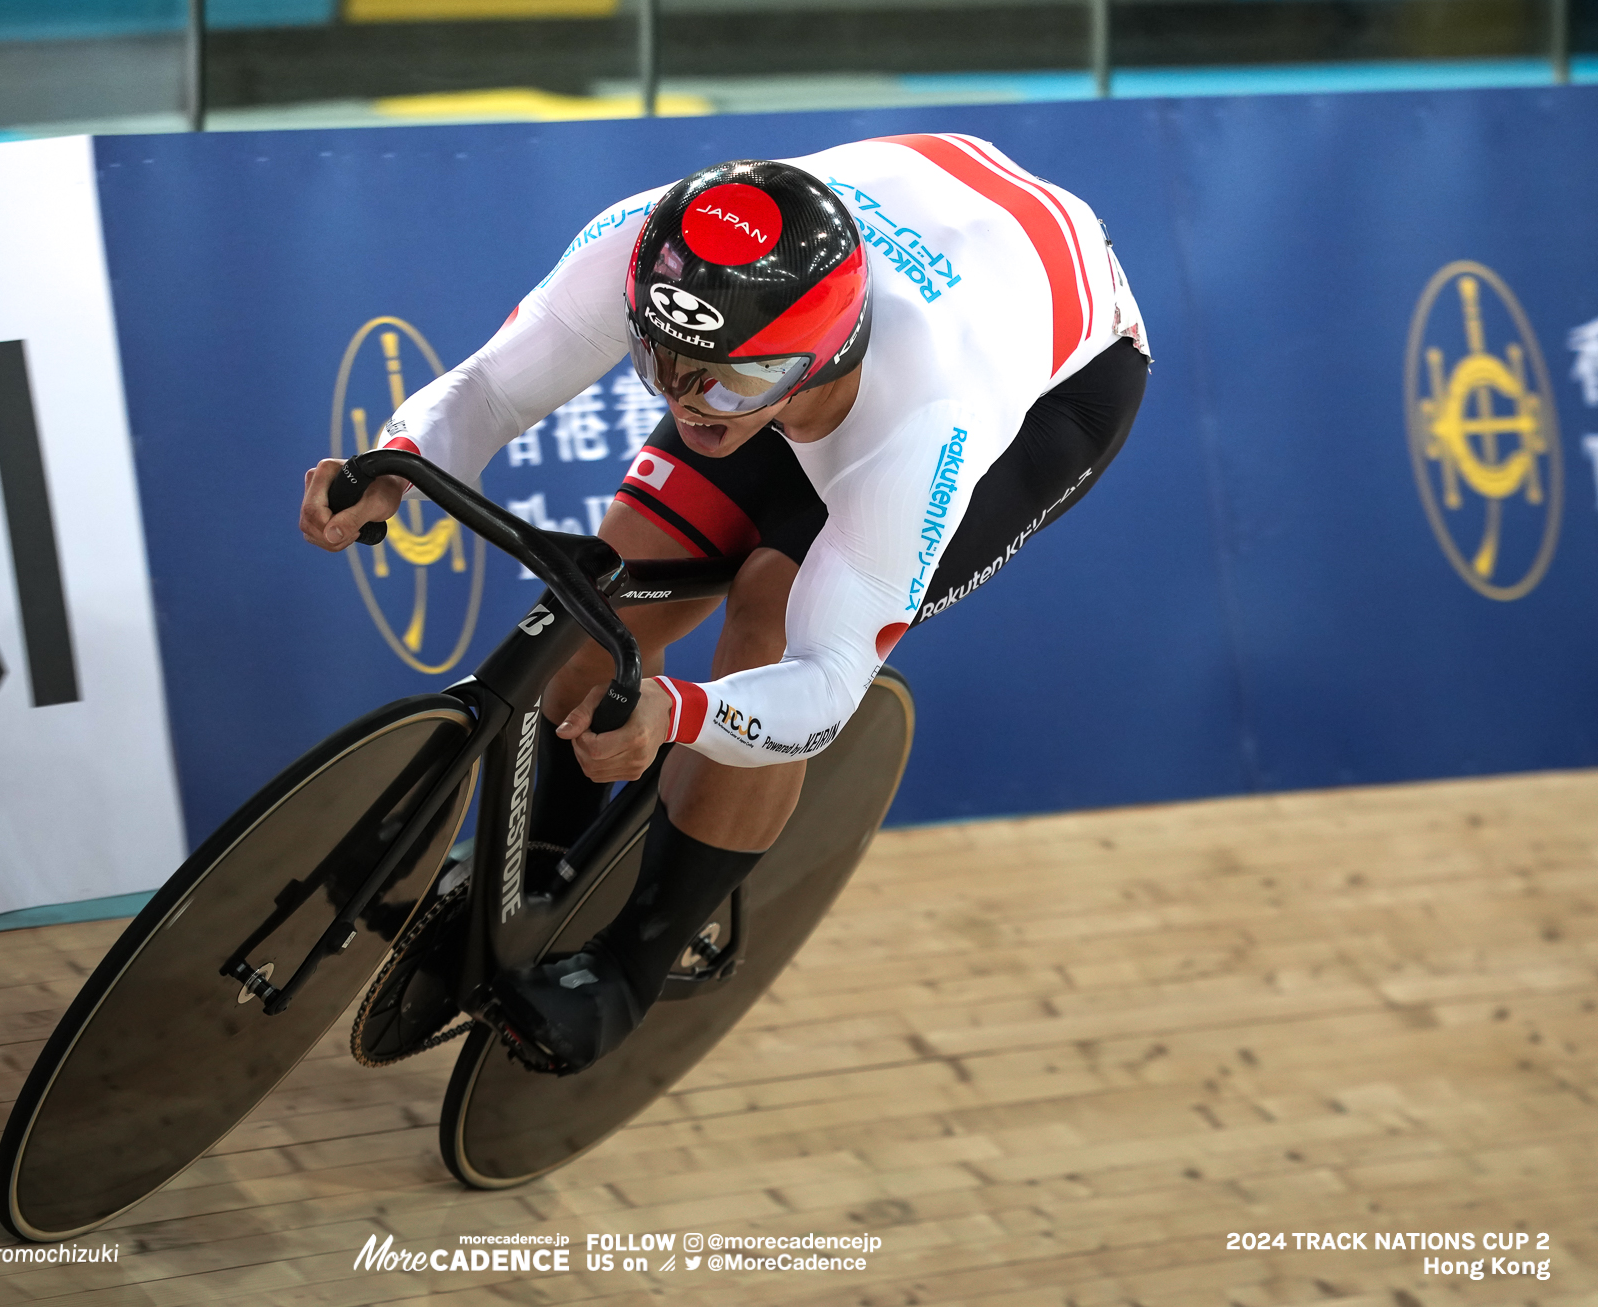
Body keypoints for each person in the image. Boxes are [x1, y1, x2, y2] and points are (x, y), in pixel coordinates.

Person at [301, 133, 1150, 1073]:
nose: (693, 404)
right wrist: (400, 465)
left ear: (819, 356)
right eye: (663, 364)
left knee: (769, 612)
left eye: (728, 381)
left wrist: (680, 712)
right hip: (851, 277)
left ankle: (630, 965)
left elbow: (821, 681)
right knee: (606, 600)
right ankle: (536, 864)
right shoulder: (653, 251)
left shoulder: (929, 414)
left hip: (1053, 383)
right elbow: (494, 383)